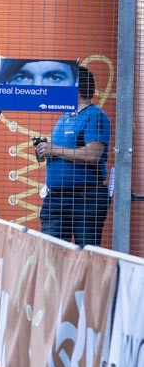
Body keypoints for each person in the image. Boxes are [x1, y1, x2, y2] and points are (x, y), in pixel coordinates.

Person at [35, 64, 111, 247]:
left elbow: (93, 154)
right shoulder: (64, 117)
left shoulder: (95, 115)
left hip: (85, 198)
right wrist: (44, 149)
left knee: (86, 254)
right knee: (50, 252)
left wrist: (54, 150)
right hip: (56, 199)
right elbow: (61, 151)